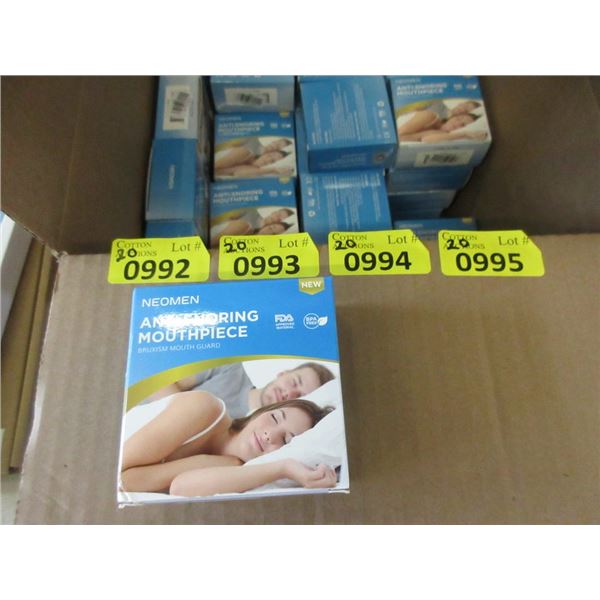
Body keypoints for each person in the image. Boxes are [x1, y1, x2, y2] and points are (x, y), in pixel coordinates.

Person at [120, 393, 337, 497]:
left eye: (286, 440)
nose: (270, 435)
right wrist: (204, 461)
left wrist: (284, 467)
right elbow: (121, 478)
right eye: (274, 418)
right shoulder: (205, 408)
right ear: (262, 411)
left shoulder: (234, 467)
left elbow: (180, 488)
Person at [142, 361, 336, 419]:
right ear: (283, 373)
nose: (290, 393)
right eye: (294, 382)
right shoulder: (231, 367)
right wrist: (186, 420)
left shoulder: (255, 436)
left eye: (300, 396)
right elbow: (158, 381)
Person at [397, 100, 488, 143]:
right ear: (452, 117)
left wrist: (465, 134)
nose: (457, 124)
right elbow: (399, 136)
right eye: (458, 119)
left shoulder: (441, 133)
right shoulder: (430, 116)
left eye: (463, 125)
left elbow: (426, 140)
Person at [210, 207, 296, 248]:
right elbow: (227, 217)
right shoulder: (250, 215)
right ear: (274, 211)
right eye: (279, 214)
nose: (277, 218)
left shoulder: (252, 238)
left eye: (281, 219)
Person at [214, 137, 294, 179]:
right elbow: (215, 168)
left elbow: (236, 172)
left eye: (273, 161)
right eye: (270, 156)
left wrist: (274, 170)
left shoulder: (254, 170)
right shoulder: (246, 151)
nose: (269, 160)